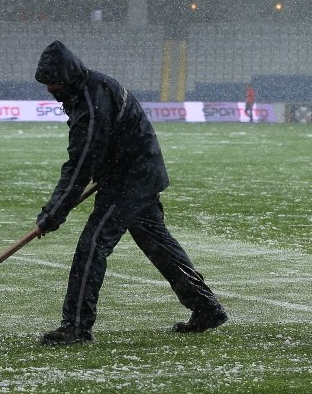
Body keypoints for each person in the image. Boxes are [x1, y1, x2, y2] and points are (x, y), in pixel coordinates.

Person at [33, 41, 227, 345]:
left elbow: (82, 162)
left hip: (130, 179)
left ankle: (76, 326)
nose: (49, 90)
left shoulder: (92, 99)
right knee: (158, 246)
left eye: (52, 82)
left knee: (92, 244)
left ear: (67, 76)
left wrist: (54, 212)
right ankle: (206, 307)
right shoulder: (85, 91)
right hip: (134, 173)